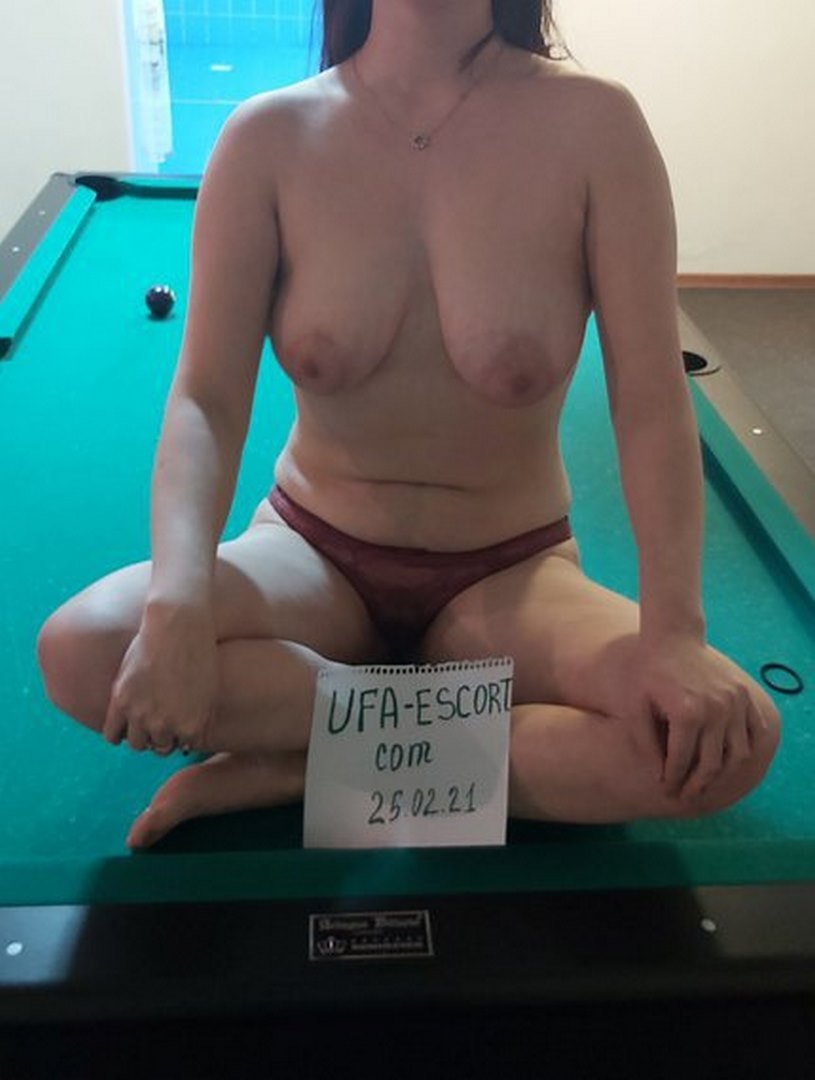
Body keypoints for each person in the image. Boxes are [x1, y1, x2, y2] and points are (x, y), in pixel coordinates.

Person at [36, 0, 780, 850]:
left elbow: (648, 401)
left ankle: (305, 764)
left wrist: (675, 634)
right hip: (309, 555)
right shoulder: (268, 136)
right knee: (82, 650)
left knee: (728, 743)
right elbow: (205, 398)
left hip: (512, 574)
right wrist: (177, 602)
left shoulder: (595, 127)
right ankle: (420, 754)